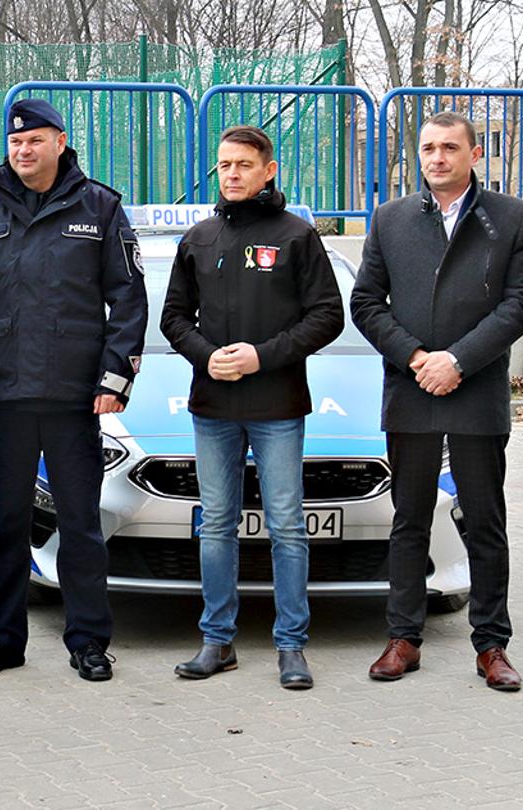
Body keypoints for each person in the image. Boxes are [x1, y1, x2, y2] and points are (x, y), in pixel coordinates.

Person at [0, 99, 147, 683]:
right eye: (14, 143)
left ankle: (88, 642)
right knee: (4, 524)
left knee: (80, 524)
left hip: (75, 396)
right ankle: (1, 639)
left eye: (34, 141)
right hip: (4, 396)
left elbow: (128, 300)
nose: (22, 151)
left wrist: (114, 378)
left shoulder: (99, 207)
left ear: (59, 142)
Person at [350, 111, 523, 691]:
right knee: (408, 519)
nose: (437, 157)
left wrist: (456, 360)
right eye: (429, 148)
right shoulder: (390, 218)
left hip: (476, 390)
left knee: (483, 521)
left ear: (474, 154)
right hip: (412, 390)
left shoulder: (510, 218)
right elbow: (365, 303)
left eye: (450, 148)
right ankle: (403, 638)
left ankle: (492, 646)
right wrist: (416, 359)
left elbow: (521, 302)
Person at [161, 126, 344, 689]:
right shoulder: (199, 237)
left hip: (277, 404)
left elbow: (327, 316)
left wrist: (261, 358)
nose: (232, 174)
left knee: (287, 526)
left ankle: (292, 646)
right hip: (212, 405)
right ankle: (218, 641)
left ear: (269, 170)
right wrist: (206, 355)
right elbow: (172, 318)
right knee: (216, 524)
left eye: (243, 164)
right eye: (224, 166)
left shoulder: (297, 236)